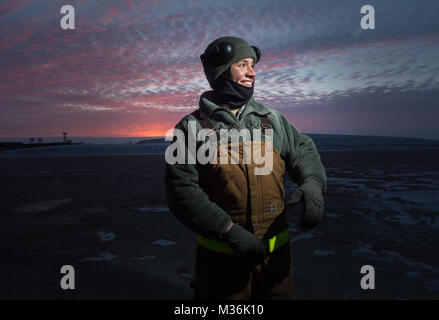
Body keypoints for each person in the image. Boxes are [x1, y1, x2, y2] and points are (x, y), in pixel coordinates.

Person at [165, 36, 327, 300]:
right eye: (242, 64)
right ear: (221, 71)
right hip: (221, 266)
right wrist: (228, 231)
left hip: (277, 266)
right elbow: (180, 189)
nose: (252, 72)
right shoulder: (191, 128)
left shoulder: (270, 119)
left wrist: (313, 183)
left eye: (252, 64)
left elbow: (302, 150)